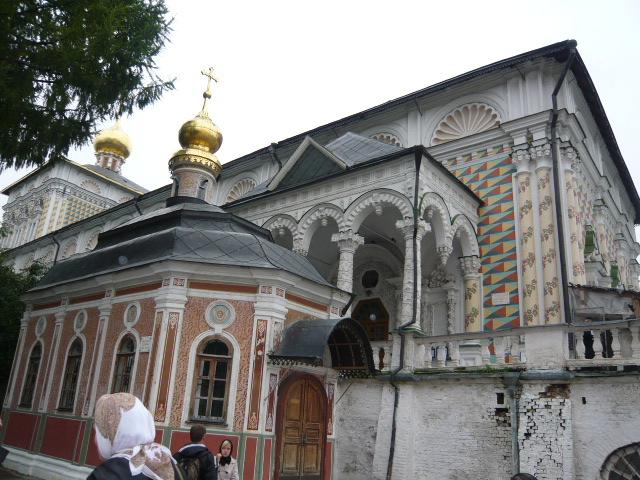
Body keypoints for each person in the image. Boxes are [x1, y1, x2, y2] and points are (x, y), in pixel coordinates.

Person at [87, 392, 177, 480]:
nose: (95, 440)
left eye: (99, 432)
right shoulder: (168, 461)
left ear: (111, 432)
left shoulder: (107, 474)